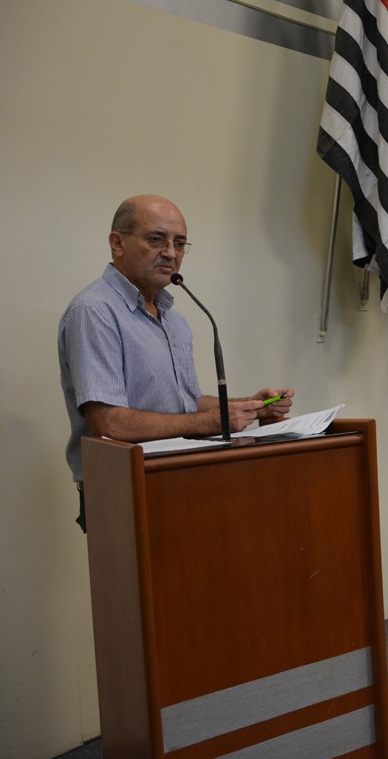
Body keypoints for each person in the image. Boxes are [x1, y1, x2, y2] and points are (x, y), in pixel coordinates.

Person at [58, 195, 295, 532]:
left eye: (179, 243)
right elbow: (109, 423)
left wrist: (251, 406)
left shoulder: (173, 318)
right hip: (123, 487)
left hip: (182, 475)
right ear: (117, 243)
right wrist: (212, 422)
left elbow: (186, 402)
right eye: (157, 239)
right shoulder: (94, 311)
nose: (171, 253)